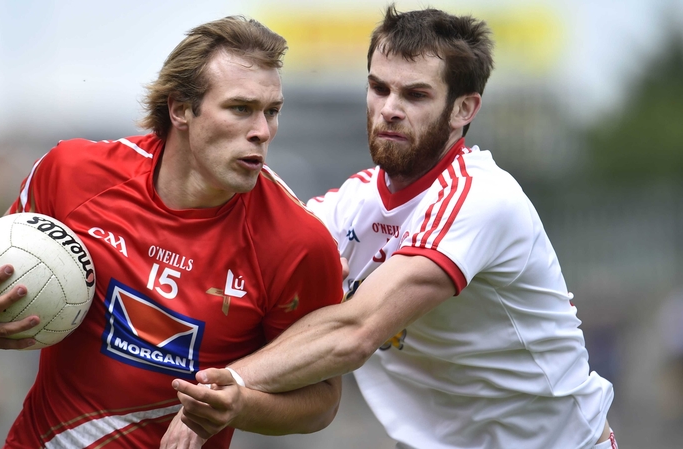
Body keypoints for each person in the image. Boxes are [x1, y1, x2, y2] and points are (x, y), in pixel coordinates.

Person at [168, 6, 619, 449]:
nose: (389, 109)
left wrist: (228, 384)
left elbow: (354, 332)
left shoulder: (482, 198)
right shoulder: (351, 204)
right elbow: (253, 268)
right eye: (378, 88)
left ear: (464, 108)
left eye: (415, 95)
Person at [0, 15, 345, 449]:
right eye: (240, 108)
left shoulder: (299, 244)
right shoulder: (70, 176)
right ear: (181, 108)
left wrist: (241, 404)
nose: (262, 131)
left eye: (272, 112)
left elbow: (323, 398)